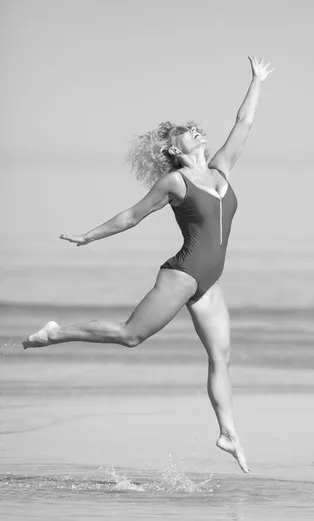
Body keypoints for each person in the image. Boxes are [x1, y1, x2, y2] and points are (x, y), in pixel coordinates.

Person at [22, 56, 274, 473]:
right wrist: (89, 235)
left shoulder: (221, 169)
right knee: (129, 336)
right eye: (186, 132)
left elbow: (243, 123)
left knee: (222, 357)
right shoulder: (175, 183)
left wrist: (257, 81)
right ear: (175, 149)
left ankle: (227, 432)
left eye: (195, 128)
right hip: (185, 273)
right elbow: (131, 216)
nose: (196, 130)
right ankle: (55, 334)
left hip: (209, 282)